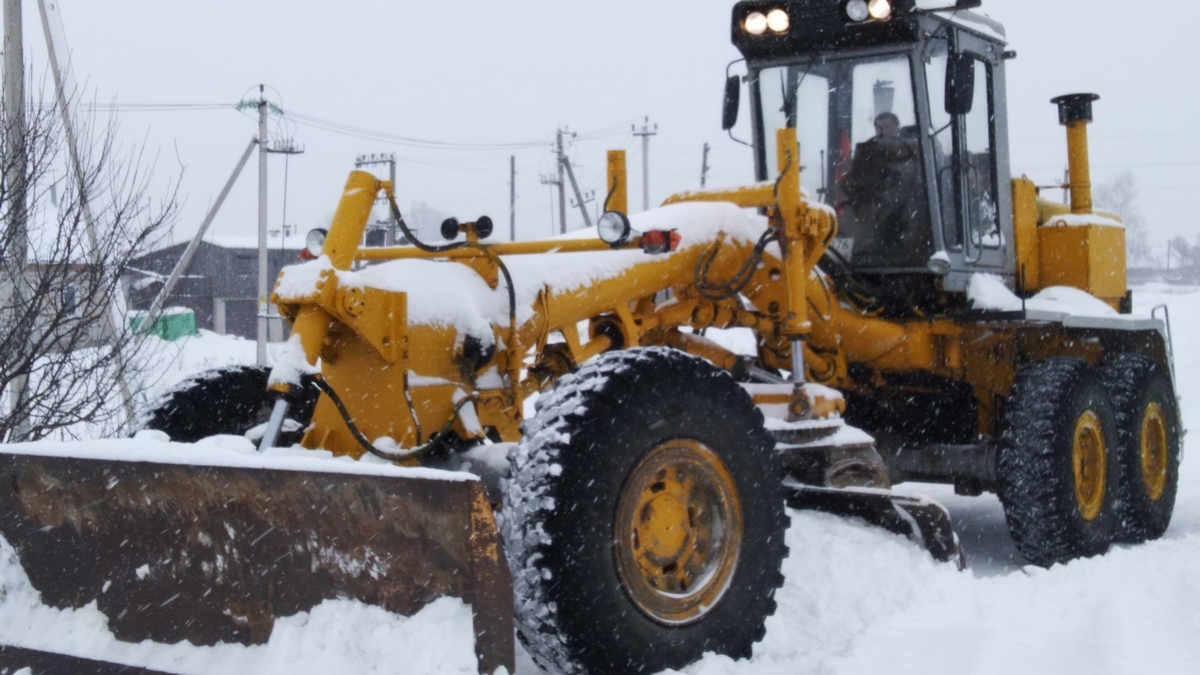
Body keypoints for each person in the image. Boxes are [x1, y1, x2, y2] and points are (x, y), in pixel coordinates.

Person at [843, 112, 925, 258]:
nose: (884, 131)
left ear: (897, 128)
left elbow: (914, 177)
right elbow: (858, 179)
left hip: (909, 205)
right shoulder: (868, 151)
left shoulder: (914, 148)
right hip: (877, 205)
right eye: (879, 128)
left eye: (888, 126)